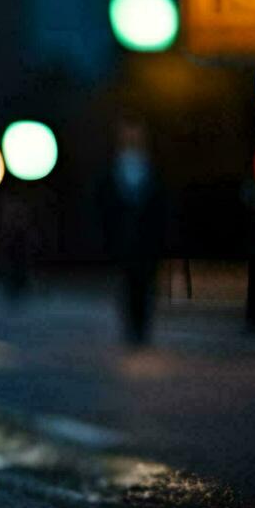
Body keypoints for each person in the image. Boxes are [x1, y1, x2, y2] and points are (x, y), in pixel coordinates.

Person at [100, 120, 167, 346]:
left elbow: (160, 206)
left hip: (147, 240)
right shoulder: (114, 168)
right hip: (125, 239)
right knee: (128, 284)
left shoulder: (151, 167)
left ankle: (142, 328)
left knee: (146, 285)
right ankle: (131, 328)